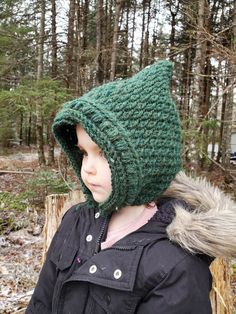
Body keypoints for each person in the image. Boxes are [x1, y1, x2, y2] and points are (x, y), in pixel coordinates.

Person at [26, 61, 236, 314]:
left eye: (103, 153)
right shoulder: (76, 220)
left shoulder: (176, 264)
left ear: (145, 161)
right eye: (83, 153)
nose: (88, 168)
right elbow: (42, 302)